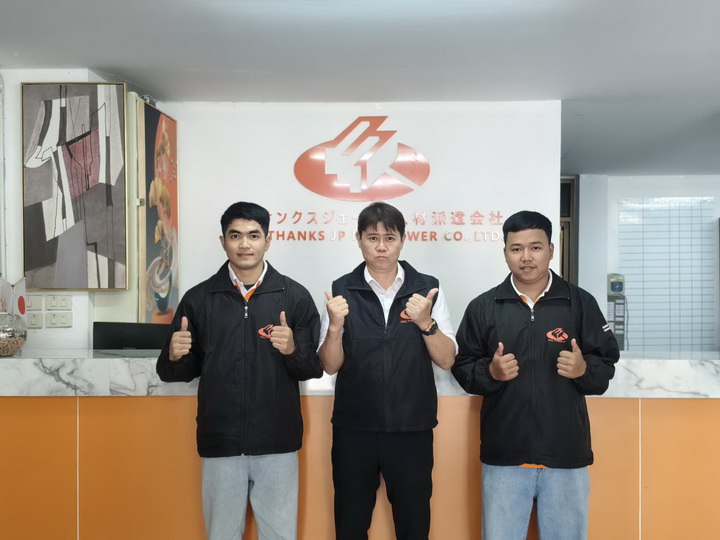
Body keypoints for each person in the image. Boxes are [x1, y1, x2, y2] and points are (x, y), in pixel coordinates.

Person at [156, 201, 322, 540]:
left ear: (267, 241)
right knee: (221, 535)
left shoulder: (294, 297)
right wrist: (175, 356)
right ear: (223, 241)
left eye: (253, 235)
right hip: (221, 441)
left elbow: (312, 369)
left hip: (277, 442)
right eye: (235, 236)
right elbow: (173, 373)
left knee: (280, 536)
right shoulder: (199, 298)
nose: (244, 244)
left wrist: (292, 350)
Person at [452, 210, 620, 540]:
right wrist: (490, 372)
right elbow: (462, 366)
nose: (526, 257)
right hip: (505, 456)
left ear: (551, 250)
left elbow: (606, 362)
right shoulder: (484, 306)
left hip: (565, 454)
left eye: (535, 247)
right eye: (516, 248)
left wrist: (584, 370)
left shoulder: (579, 303)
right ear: (505, 252)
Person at [319, 201, 457, 540]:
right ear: (358, 239)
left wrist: (426, 322)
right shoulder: (341, 290)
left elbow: (447, 359)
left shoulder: (428, 289)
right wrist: (335, 327)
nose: (381, 247)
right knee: (350, 526)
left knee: (413, 526)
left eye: (390, 238)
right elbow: (330, 364)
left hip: (412, 428)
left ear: (402, 241)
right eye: (372, 238)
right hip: (354, 428)